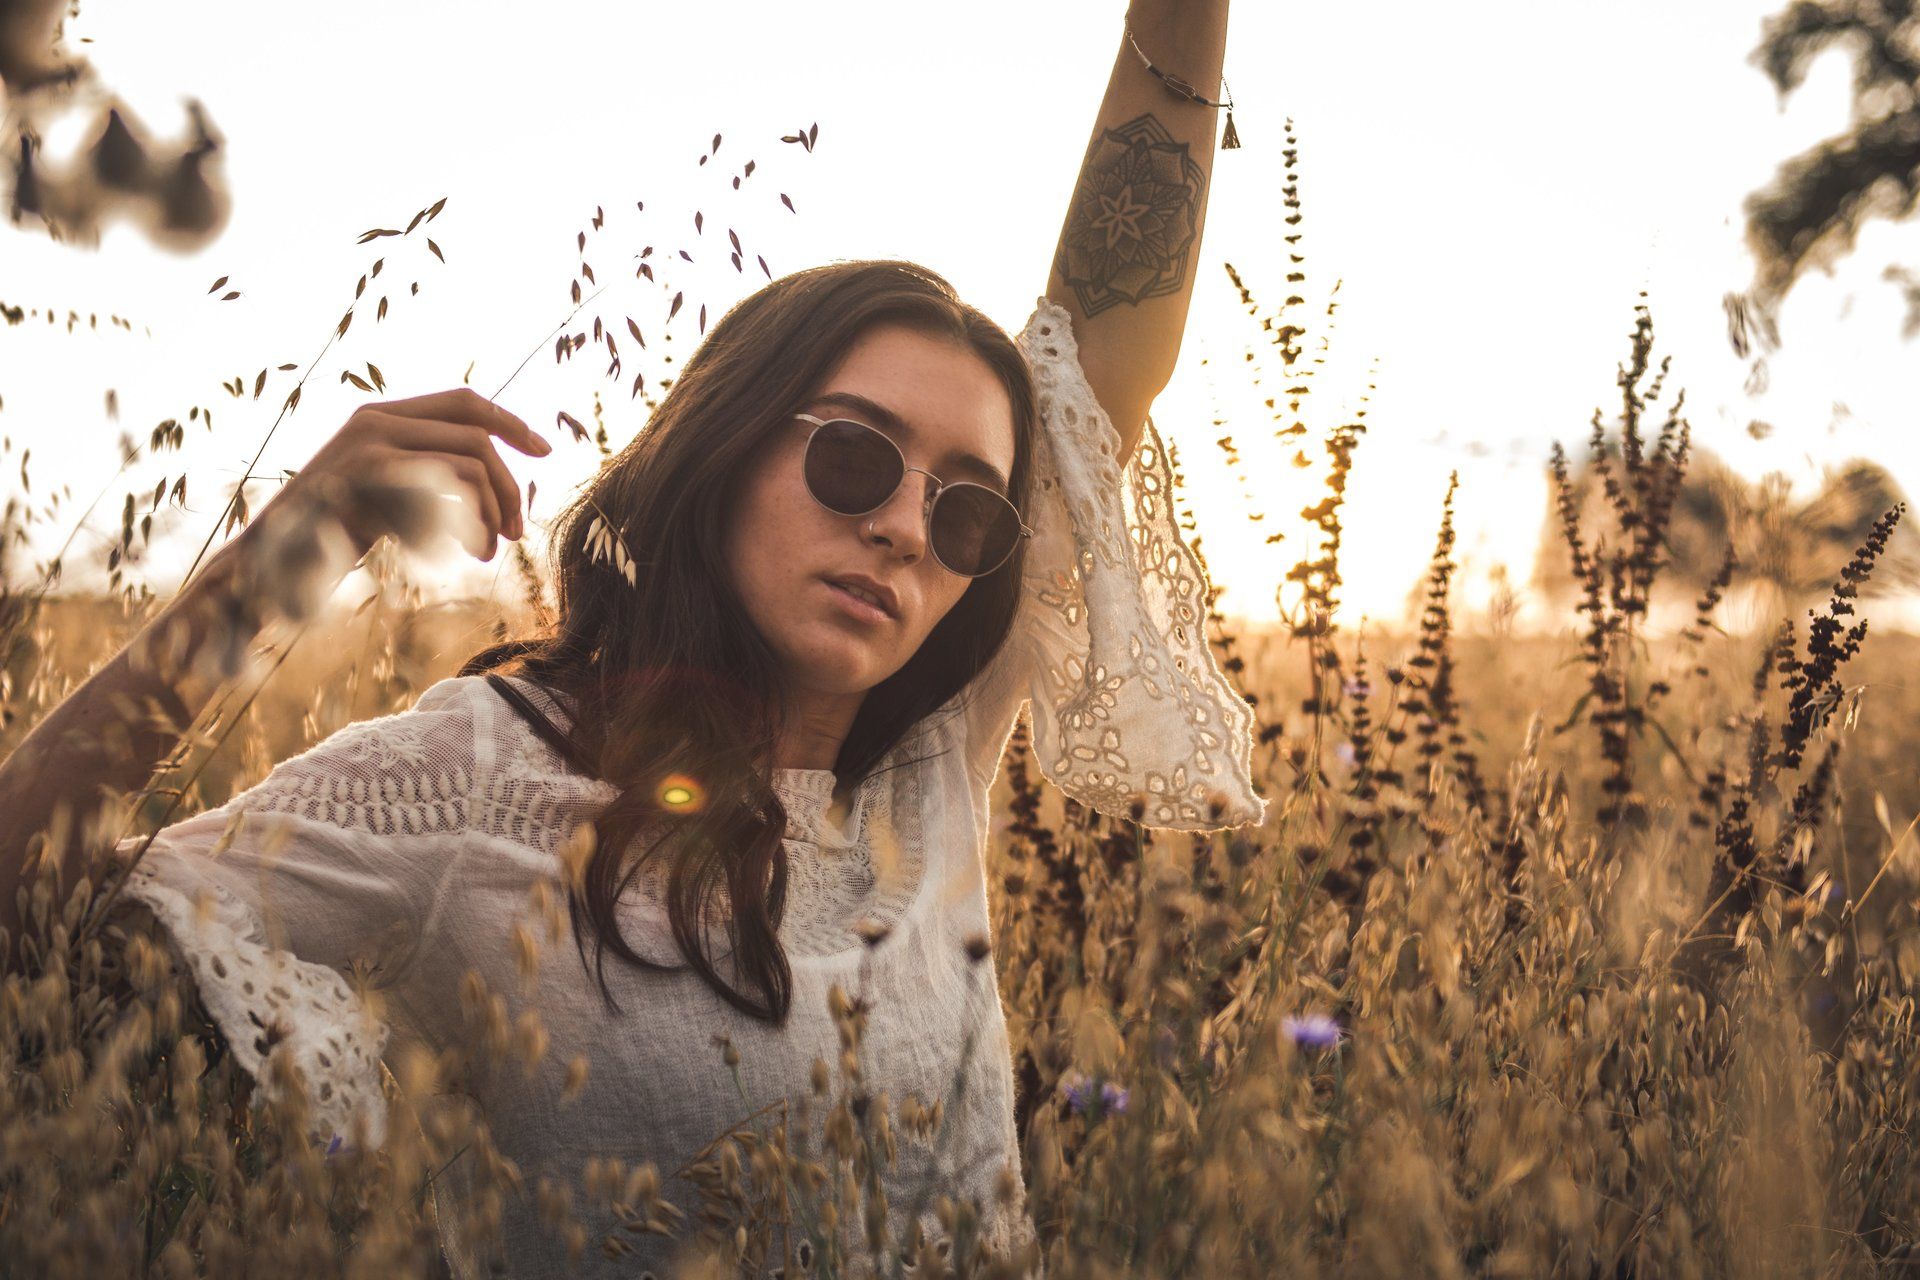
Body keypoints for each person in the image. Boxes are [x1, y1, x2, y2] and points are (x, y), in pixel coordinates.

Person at [0, 3, 1261, 1275]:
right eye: (853, 456)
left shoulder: (928, 758)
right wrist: (287, 557)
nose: (901, 529)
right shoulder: (475, 781)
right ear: (728, 450)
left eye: (968, 507)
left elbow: (1104, 346)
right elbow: (25, 913)